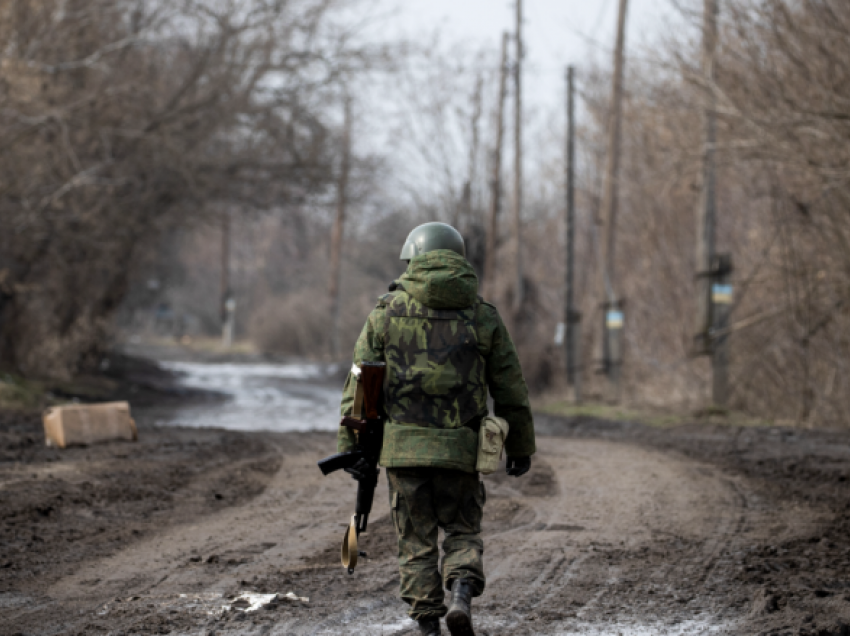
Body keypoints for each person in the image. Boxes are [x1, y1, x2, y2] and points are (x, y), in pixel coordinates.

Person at [338, 222, 535, 636]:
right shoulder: (483, 316)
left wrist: (353, 446)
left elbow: (361, 385)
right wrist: (519, 446)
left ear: (413, 260)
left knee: (415, 541)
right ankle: (461, 592)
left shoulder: (385, 312)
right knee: (463, 528)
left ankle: (428, 625)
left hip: (403, 451)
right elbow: (509, 387)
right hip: (462, 449)